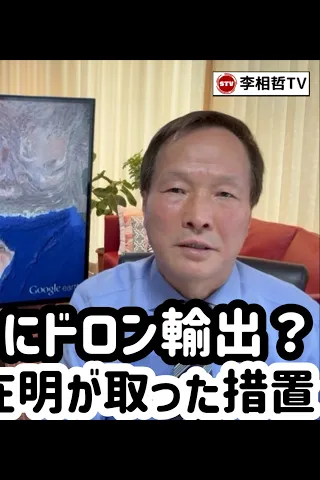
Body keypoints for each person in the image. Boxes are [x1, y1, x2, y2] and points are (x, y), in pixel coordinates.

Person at [62, 110, 320, 419]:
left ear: (249, 212)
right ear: (145, 201)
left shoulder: (302, 322)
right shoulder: (93, 306)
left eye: (225, 193)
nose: (198, 217)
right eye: (176, 189)